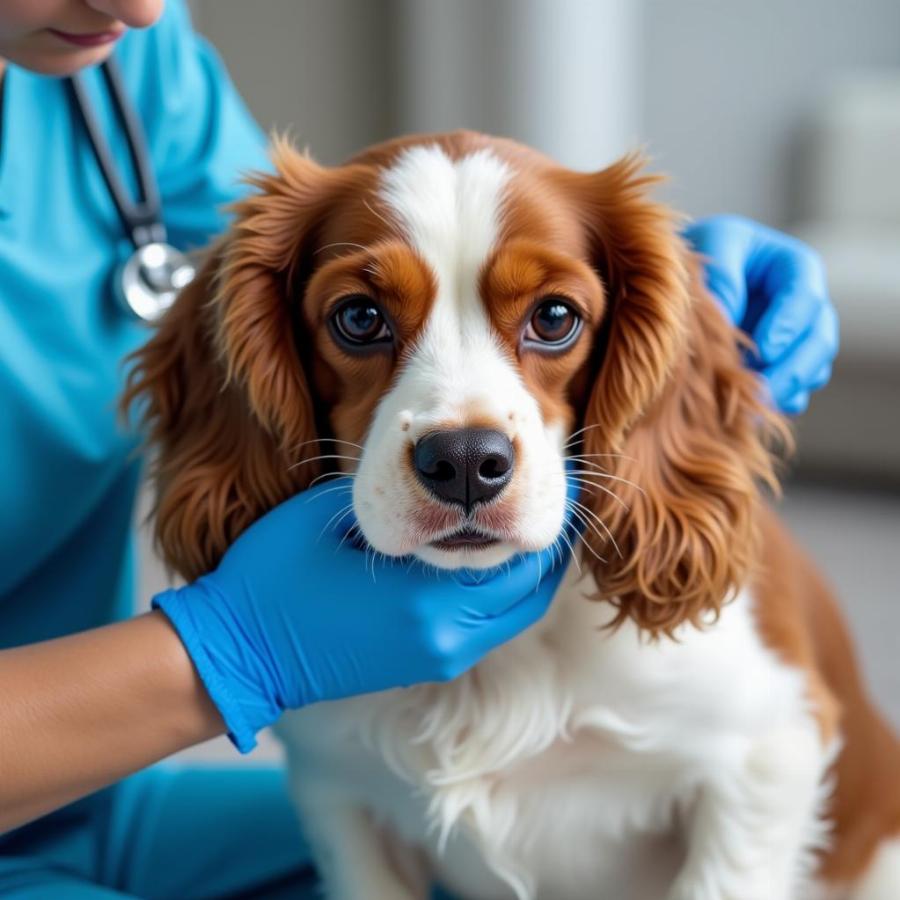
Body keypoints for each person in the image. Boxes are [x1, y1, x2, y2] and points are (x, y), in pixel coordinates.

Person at [0, 1, 839, 897]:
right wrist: (229, 655)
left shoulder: (122, 59)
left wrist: (672, 314)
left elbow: (287, 256)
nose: (134, 4)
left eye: (553, 319)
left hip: (98, 799)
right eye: (361, 320)